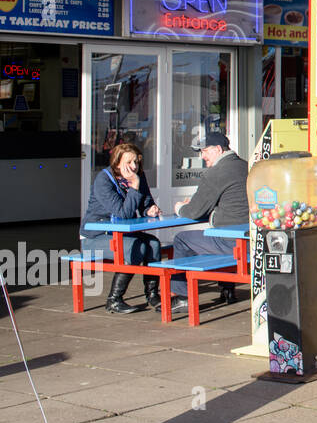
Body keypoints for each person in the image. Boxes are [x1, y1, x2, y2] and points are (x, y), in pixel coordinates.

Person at [160, 131, 249, 313]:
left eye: (205, 151)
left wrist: (179, 207)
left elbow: (194, 212)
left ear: (218, 149)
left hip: (231, 242)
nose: (202, 156)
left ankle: (182, 297)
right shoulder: (246, 166)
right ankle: (227, 289)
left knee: (182, 240)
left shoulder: (216, 173)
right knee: (211, 237)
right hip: (251, 239)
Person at [80, 143, 163, 314]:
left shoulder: (138, 176)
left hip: (124, 234)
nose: (134, 166)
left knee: (154, 244)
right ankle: (114, 299)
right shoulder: (103, 180)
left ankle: (153, 294)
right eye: (129, 162)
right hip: (95, 237)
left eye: (136, 162)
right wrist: (134, 185)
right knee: (134, 247)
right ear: (117, 163)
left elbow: (146, 203)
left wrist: (150, 209)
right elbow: (123, 213)